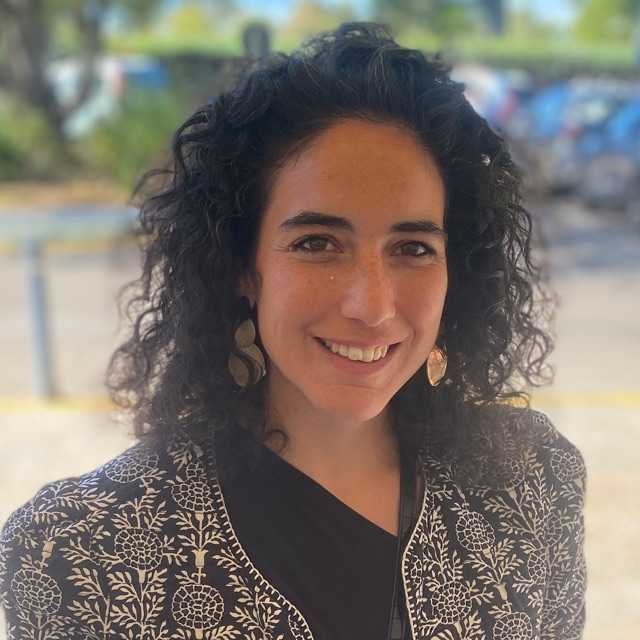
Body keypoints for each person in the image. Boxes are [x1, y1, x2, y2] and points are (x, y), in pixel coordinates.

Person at [0, 22, 586, 640]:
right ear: (240, 266)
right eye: (317, 243)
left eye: (413, 248)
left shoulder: (533, 480)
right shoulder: (80, 550)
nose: (372, 306)